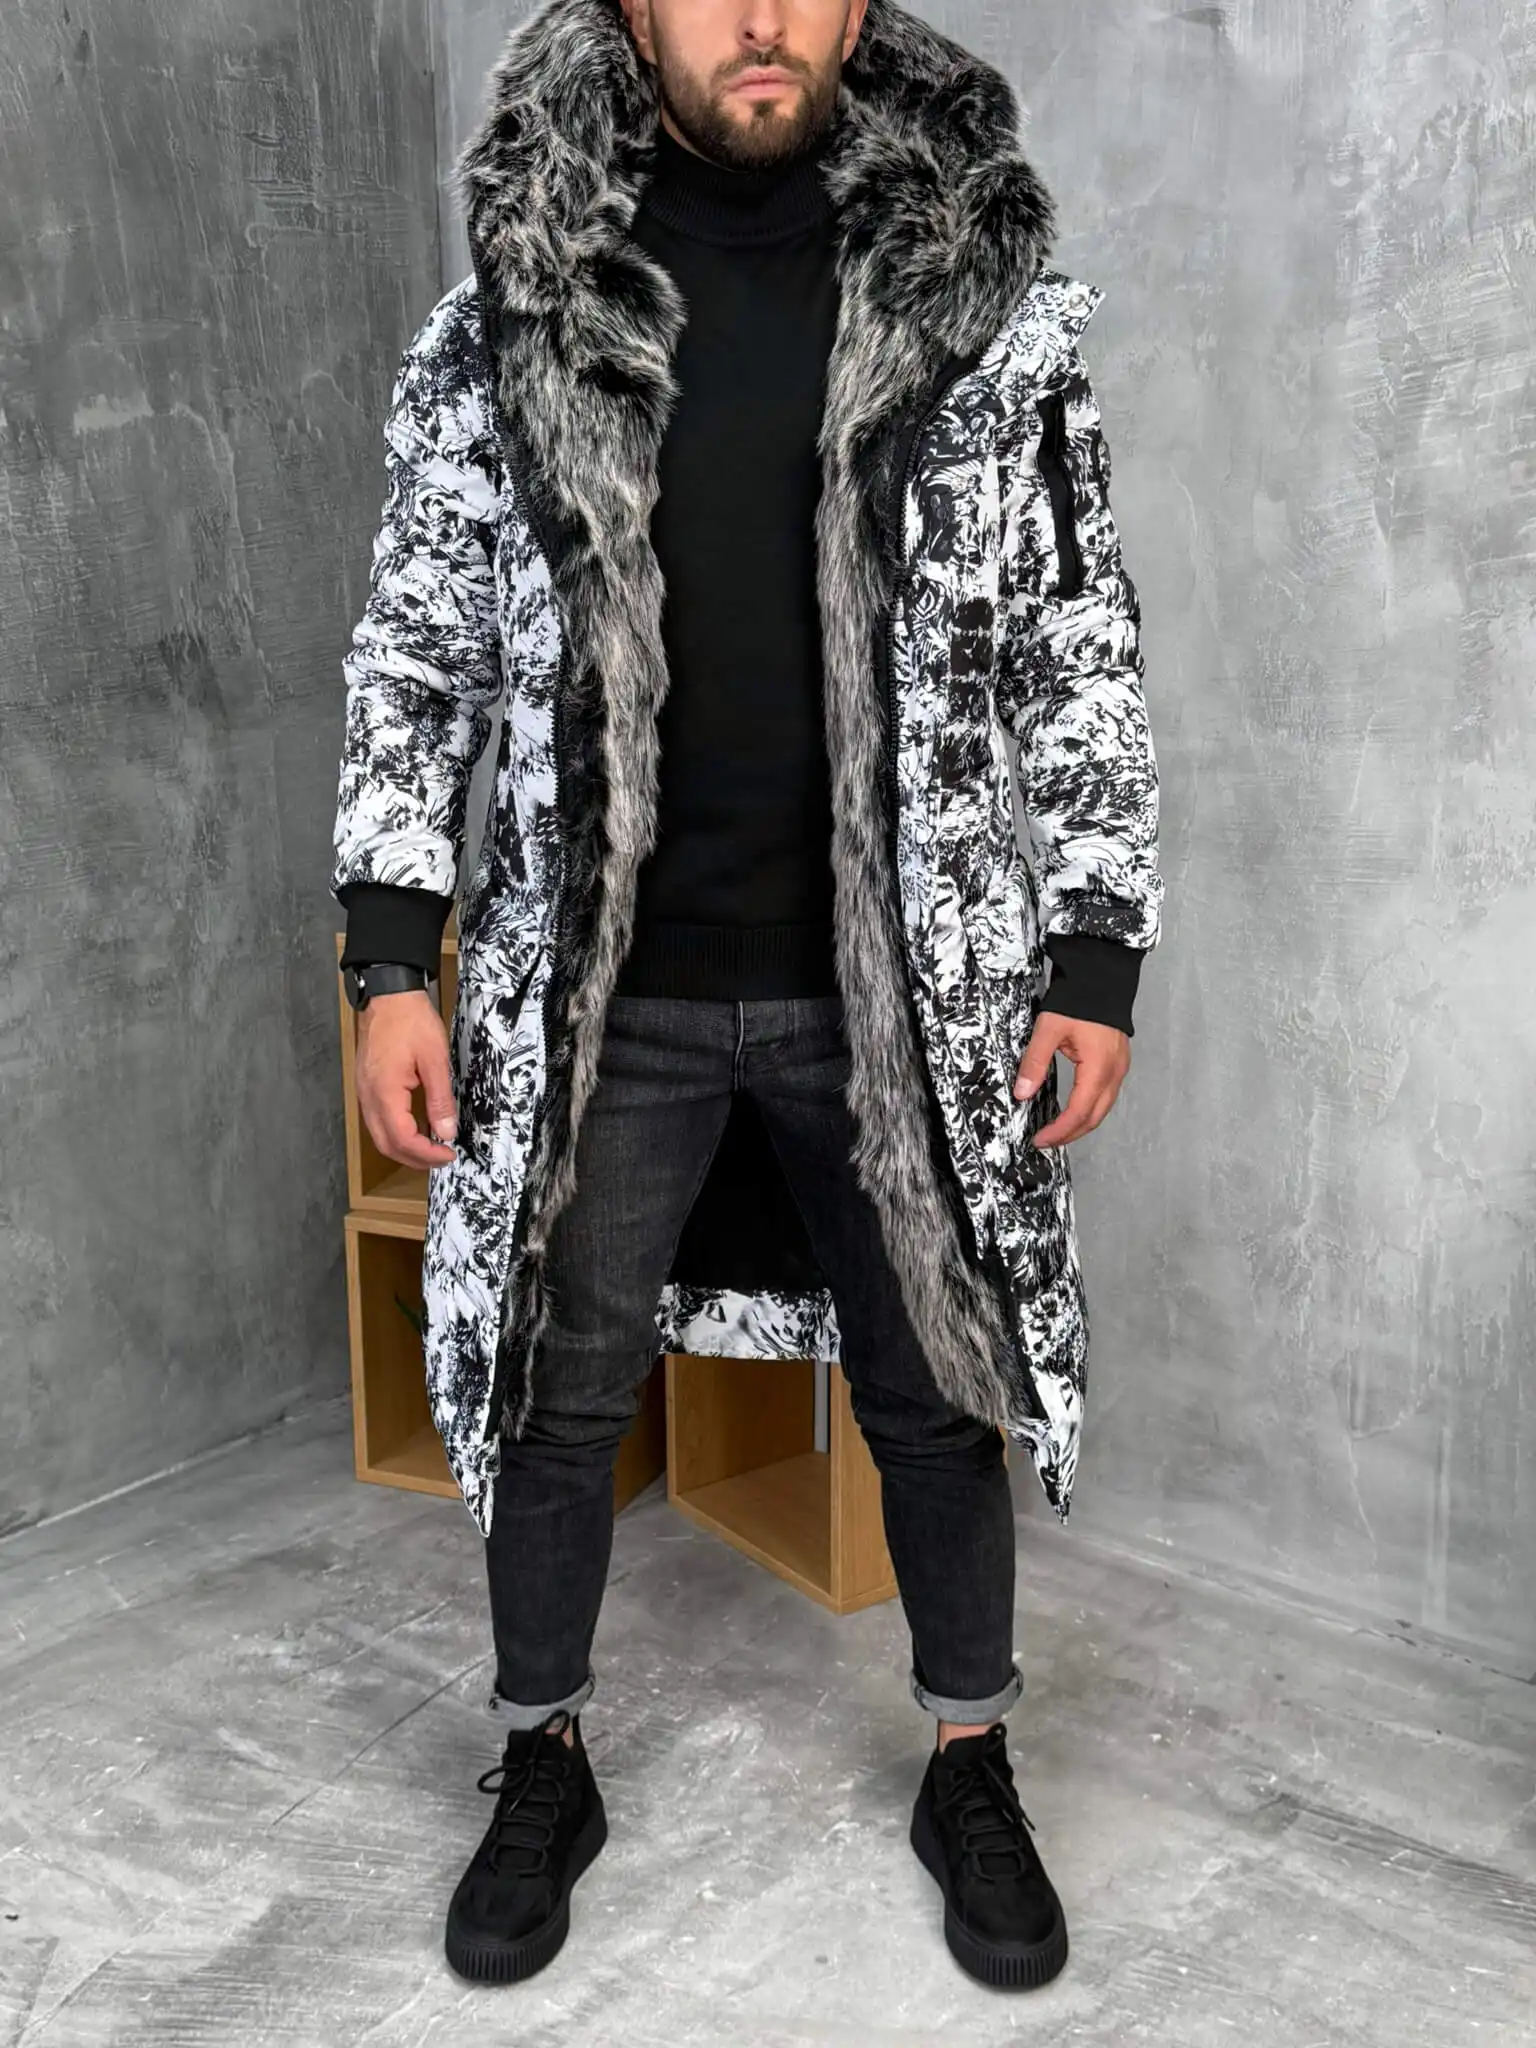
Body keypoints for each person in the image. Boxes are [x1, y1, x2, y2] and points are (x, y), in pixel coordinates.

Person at [330, 0, 1162, 1997]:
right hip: (599, 994)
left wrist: (1095, 950)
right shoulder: (515, 317)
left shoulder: (979, 314)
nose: (763, 20)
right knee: (557, 1387)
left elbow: (1078, 635)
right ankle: (542, 1756)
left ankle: (969, 1757)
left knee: (935, 1391)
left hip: (902, 995)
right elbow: (416, 644)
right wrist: (389, 955)